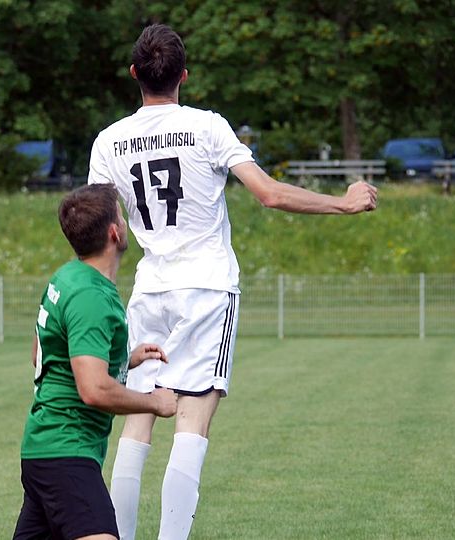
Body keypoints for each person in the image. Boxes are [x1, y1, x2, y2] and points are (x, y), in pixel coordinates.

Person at [88, 24, 378, 540]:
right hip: (206, 286)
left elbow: (99, 224)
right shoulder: (207, 127)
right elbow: (269, 194)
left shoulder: (109, 141)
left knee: (136, 423)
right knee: (192, 421)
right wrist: (343, 203)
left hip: (148, 288)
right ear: (184, 75)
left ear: (134, 74)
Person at [13, 184, 178, 540]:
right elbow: (94, 390)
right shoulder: (92, 296)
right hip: (66, 451)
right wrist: (155, 402)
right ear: (114, 232)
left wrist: (124, 360)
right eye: (122, 215)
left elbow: (42, 352)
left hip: (43, 450)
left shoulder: (68, 277)